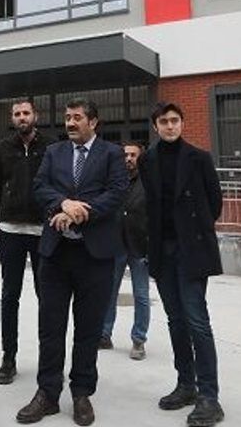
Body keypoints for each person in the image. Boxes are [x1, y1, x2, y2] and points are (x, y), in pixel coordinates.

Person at [16, 99, 127, 427]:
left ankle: (81, 393)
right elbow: (40, 187)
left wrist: (80, 212)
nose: (70, 123)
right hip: (56, 255)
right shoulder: (55, 152)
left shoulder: (112, 153)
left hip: (95, 256)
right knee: (51, 327)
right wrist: (63, 203)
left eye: (77, 117)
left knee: (88, 329)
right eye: (67, 117)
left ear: (94, 122)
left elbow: (116, 193)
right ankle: (47, 393)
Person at [139, 102, 225, 427]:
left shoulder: (199, 158)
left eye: (175, 120)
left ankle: (209, 396)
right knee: (175, 321)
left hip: (192, 250)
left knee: (197, 321)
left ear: (182, 124)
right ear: (156, 126)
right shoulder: (147, 160)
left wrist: (194, 230)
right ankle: (186, 385)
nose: (170, 126)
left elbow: (214, 203)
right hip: (163, 250)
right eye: (164, 121)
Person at [0, 97, 50, 384]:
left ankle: (48, 358)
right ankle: (8, 358)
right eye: (17, 114)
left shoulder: (50, 146)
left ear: (35, 116)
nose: (22, 117)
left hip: (42, 231)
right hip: (10, 230)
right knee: (10, 296)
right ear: (12, 119)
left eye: (26, 113)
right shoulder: (4, 147)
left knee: (47, 297)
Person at [101, 140, 150, 360]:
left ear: (140, 157)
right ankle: (104, 334)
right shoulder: (113, 181)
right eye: (125, 155)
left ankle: (139, 340)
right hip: (116, 245)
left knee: (141, 295)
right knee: (109, 292)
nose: (128, 159)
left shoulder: (149, 182)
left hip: (140, 246)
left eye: (133, 155)